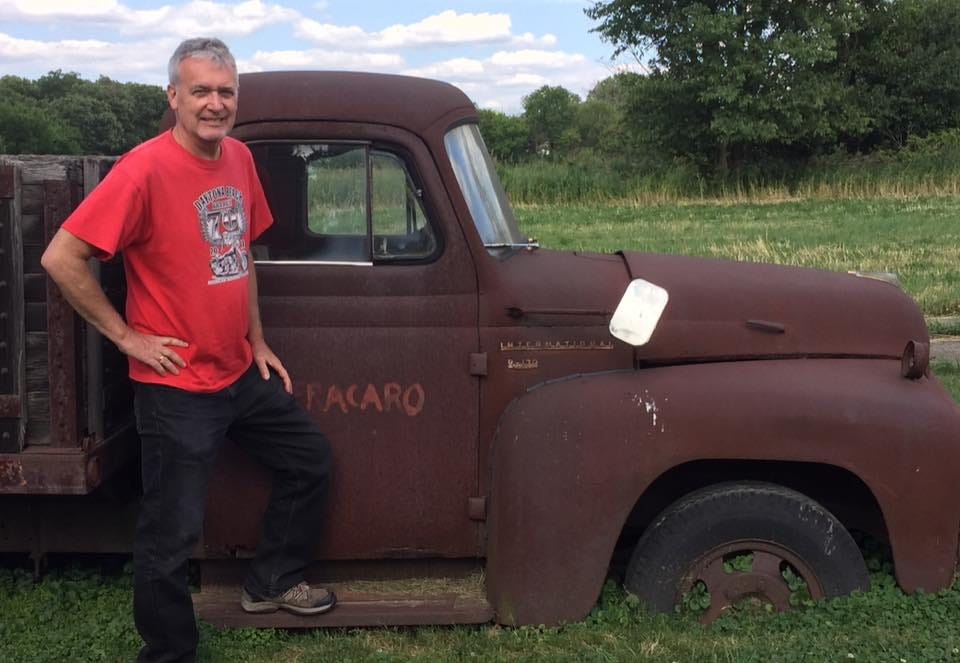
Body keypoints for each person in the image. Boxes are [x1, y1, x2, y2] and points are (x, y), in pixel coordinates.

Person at [40, 37, 335, 663]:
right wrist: (127, 336)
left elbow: (239, 256)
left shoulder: (240, 159)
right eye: (200, 90)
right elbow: (60, 258)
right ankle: (169, 652)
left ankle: (271, 582)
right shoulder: (143, 169)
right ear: (173, 95)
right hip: (176, 388)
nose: (214, 103)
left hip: (235, 373)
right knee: (169, 536)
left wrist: (256, 338)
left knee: (308, 459)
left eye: (225, 91)